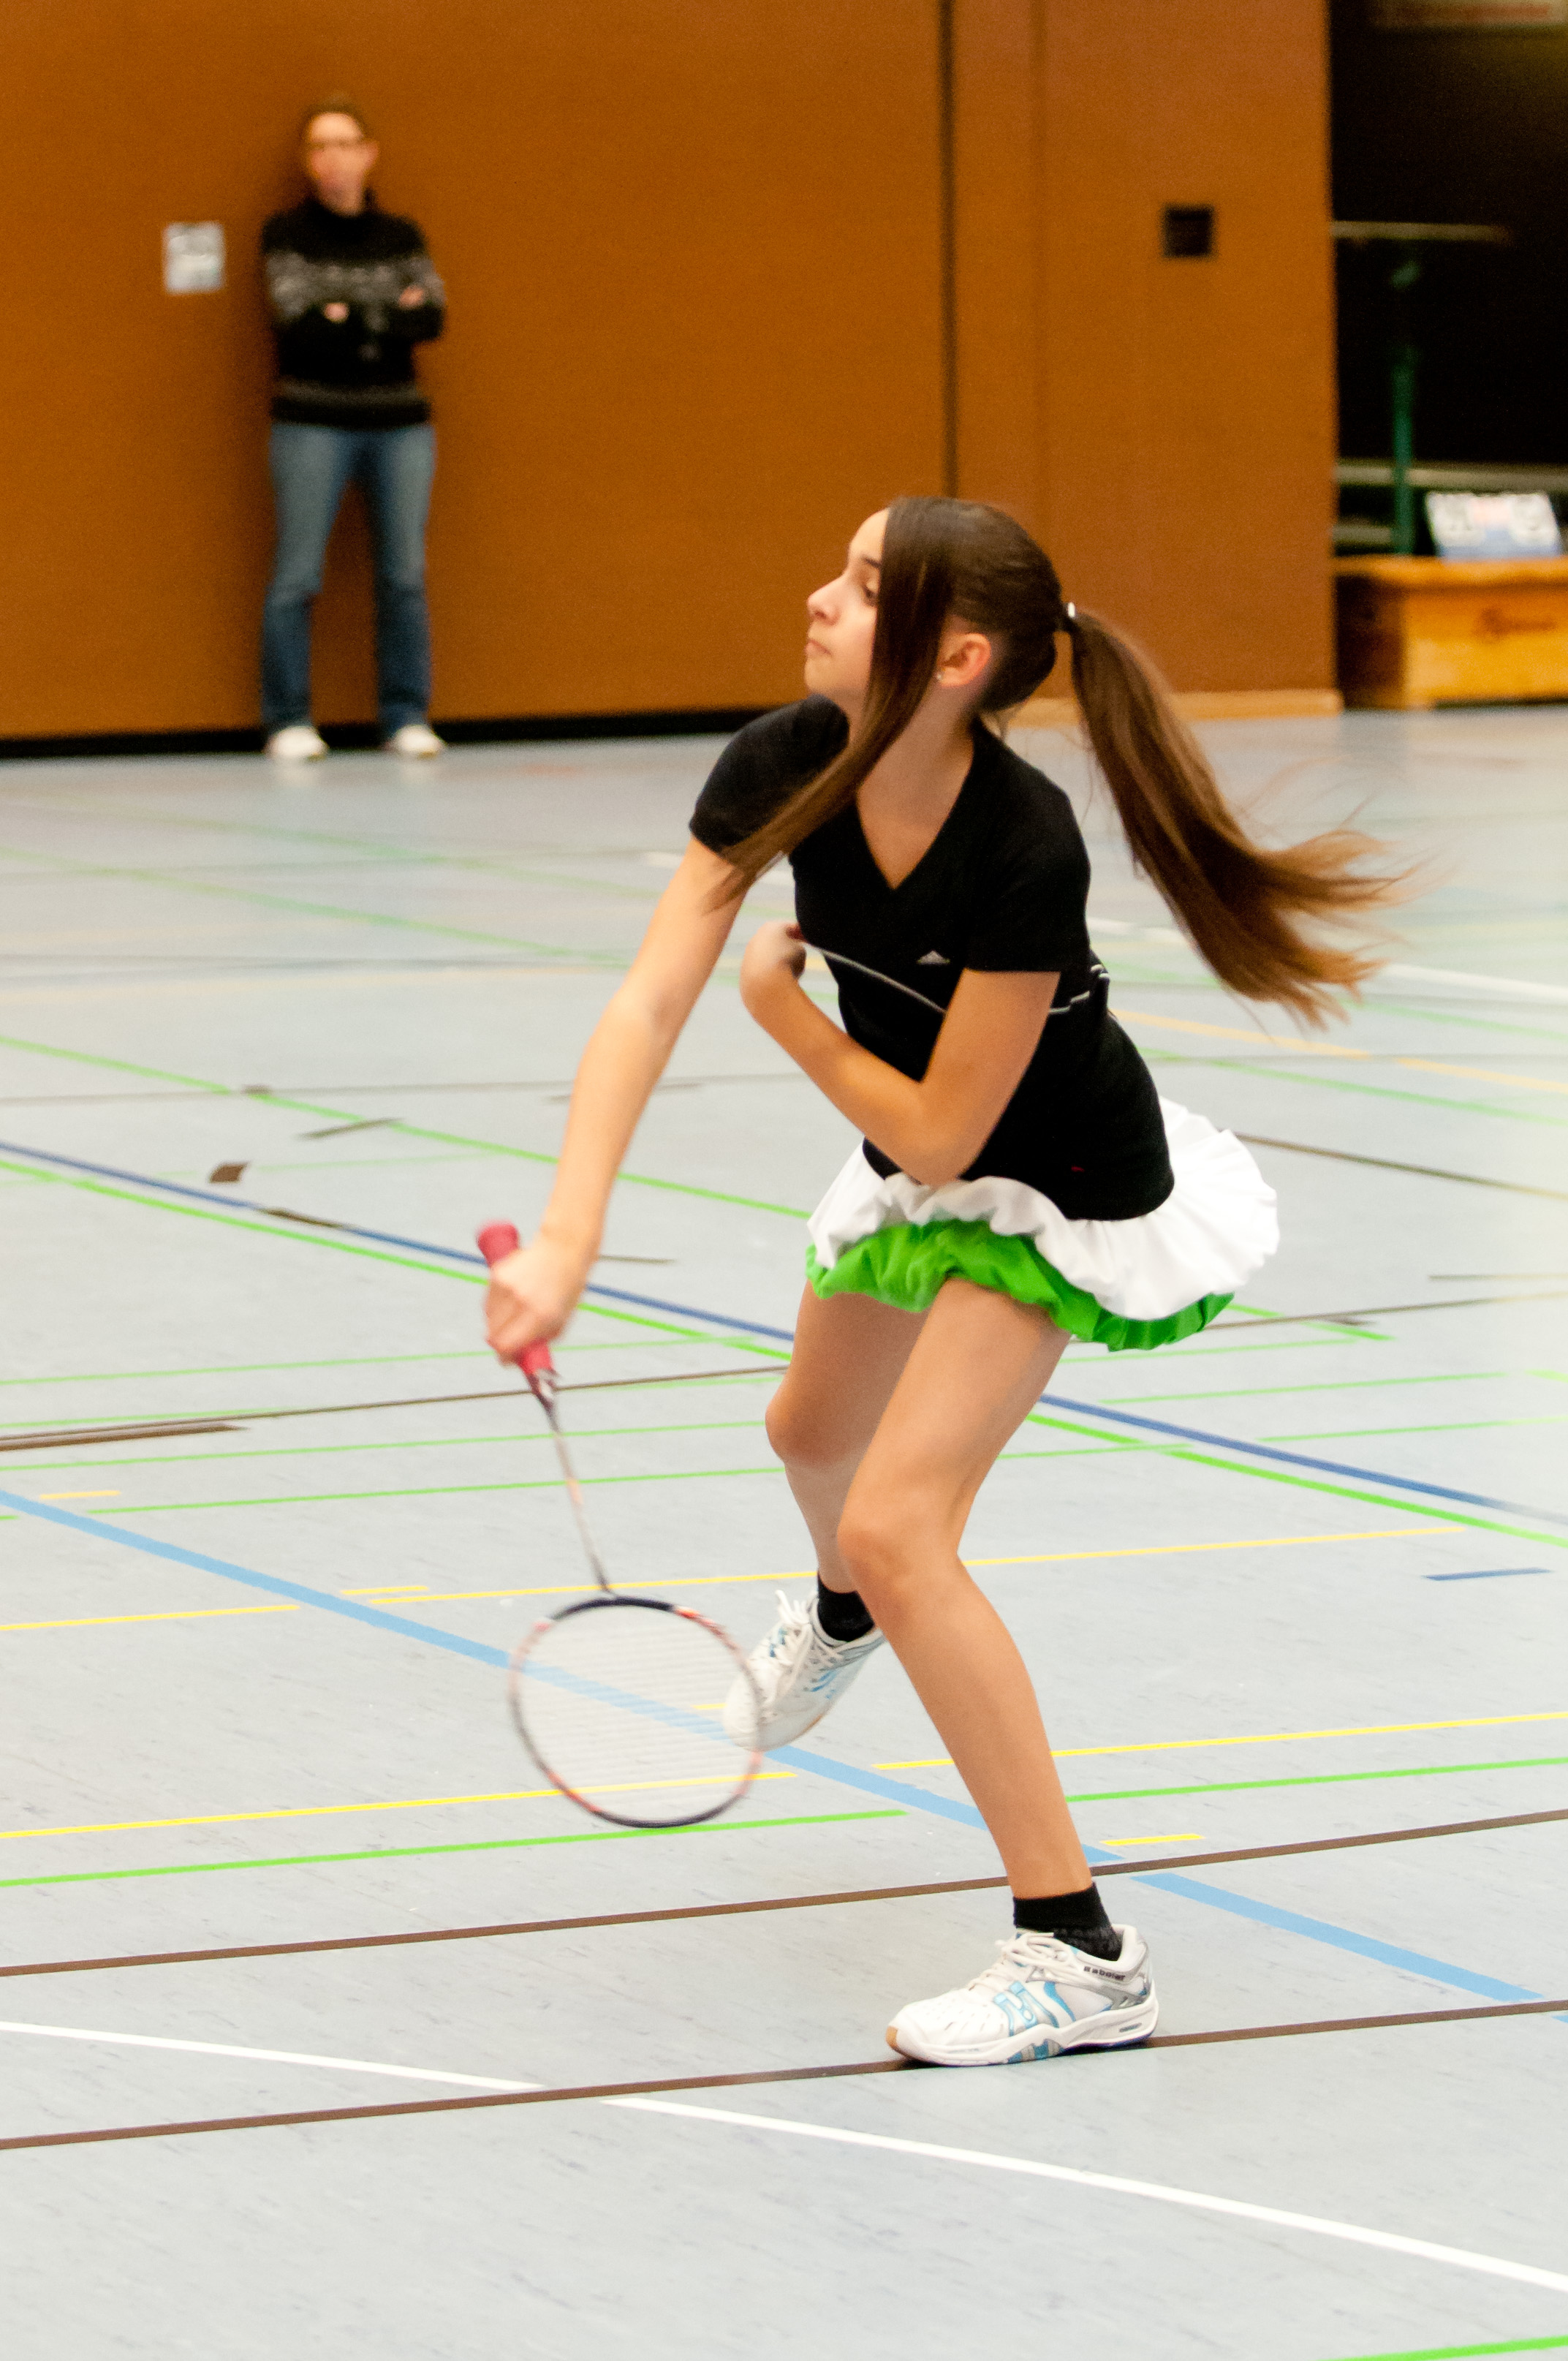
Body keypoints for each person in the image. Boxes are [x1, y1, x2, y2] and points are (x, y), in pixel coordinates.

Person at [483, 496, 1398, 2068]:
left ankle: (1079, 1952)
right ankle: (837, 1615)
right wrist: (569, 1234)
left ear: (955, 657)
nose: (817, 598)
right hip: (924, 1157)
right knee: (806, 1435)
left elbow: (940, 1131)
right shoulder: (783, 762)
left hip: (1055, 1181)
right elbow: (644, 1001)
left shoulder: (1019, 847)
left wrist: (786, 1016)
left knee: (903, 1526)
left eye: (861, 584)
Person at [260, 99, 446, 763]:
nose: (332, 157)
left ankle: (404, 713)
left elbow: (430, 316)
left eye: (344, 143)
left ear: (369, 153)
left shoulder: (401, 235)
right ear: (307, 162)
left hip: (399, 425)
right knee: (298, 573)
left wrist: (345, 314)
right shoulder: (287, 235)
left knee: (403, 575)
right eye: (319, 146)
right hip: (311, 422)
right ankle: (288, 717)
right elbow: (297, 320)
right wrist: (384, 314)